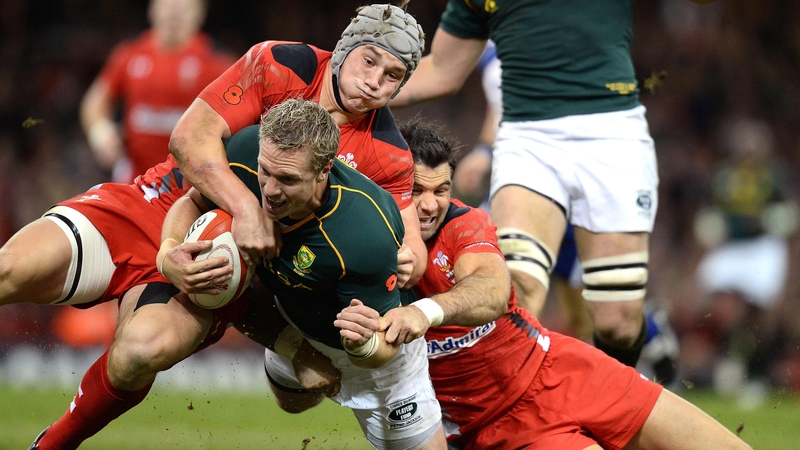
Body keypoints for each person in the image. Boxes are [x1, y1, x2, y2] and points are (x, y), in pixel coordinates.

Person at [342, 119, 751, 449]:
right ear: (392, 188)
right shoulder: (359, 254)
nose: (430, 205)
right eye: (416, 191)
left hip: (562, 367)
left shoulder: (465, 223)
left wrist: (424, 311)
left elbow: (491, 290)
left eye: (441, 190)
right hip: (497, 425)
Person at [161, 99, 447, 449]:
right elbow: (192, 202)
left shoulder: (366, 234)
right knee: (291, 403)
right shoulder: (245, 151)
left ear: (325, 169)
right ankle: (298, 356)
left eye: (287, 179)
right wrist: (168, 252)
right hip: (291, 322)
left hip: (373, 356)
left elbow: (387, 339)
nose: (269, 189)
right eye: (265, 171)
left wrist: (363, 344)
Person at [390, 0, 661, 368]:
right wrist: (345, 84)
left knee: (619, 324)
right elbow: (441, 68)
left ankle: (620, 402)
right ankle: (514, 416)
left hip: (612, 134)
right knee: (517, 286)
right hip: (528, 139)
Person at [453, 41, 679, 383]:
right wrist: (486, 149)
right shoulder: (491, 33)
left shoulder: (551, 24)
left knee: (587, 315)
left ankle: (647, 330)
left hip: (565, 174)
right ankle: (497, 386)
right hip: (526, 177)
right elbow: (501, 102)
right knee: (507, 279)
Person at [168, 1, 428, 289]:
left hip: (281, 270)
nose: (374, 81)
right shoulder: (278, 65)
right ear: (344, 48)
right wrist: (246, 208)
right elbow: (187, 139)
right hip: (188, 202)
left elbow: (411, 242)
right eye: (369, 61)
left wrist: (410, 261)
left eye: (392, 75)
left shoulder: (391, 154)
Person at [693, 117, 798, 407]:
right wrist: (711, 225)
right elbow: (710, 209)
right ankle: (728, 360)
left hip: (763, 247)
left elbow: (787, 210)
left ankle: (753, 372)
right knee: (719, 305)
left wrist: (776, 219)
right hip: (732, 246)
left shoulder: (774, 174)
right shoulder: (724, 176)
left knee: (760, 313)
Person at [80, 0, 235, 184]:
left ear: (200, 15)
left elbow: (244, 112)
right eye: (168, 5)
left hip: (191, 183)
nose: (173, 14)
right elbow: (95, 101)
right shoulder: (129, 54)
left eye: (183, 8)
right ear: (152, 9)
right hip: (134, 178)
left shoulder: (218, 63)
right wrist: (101, 133)